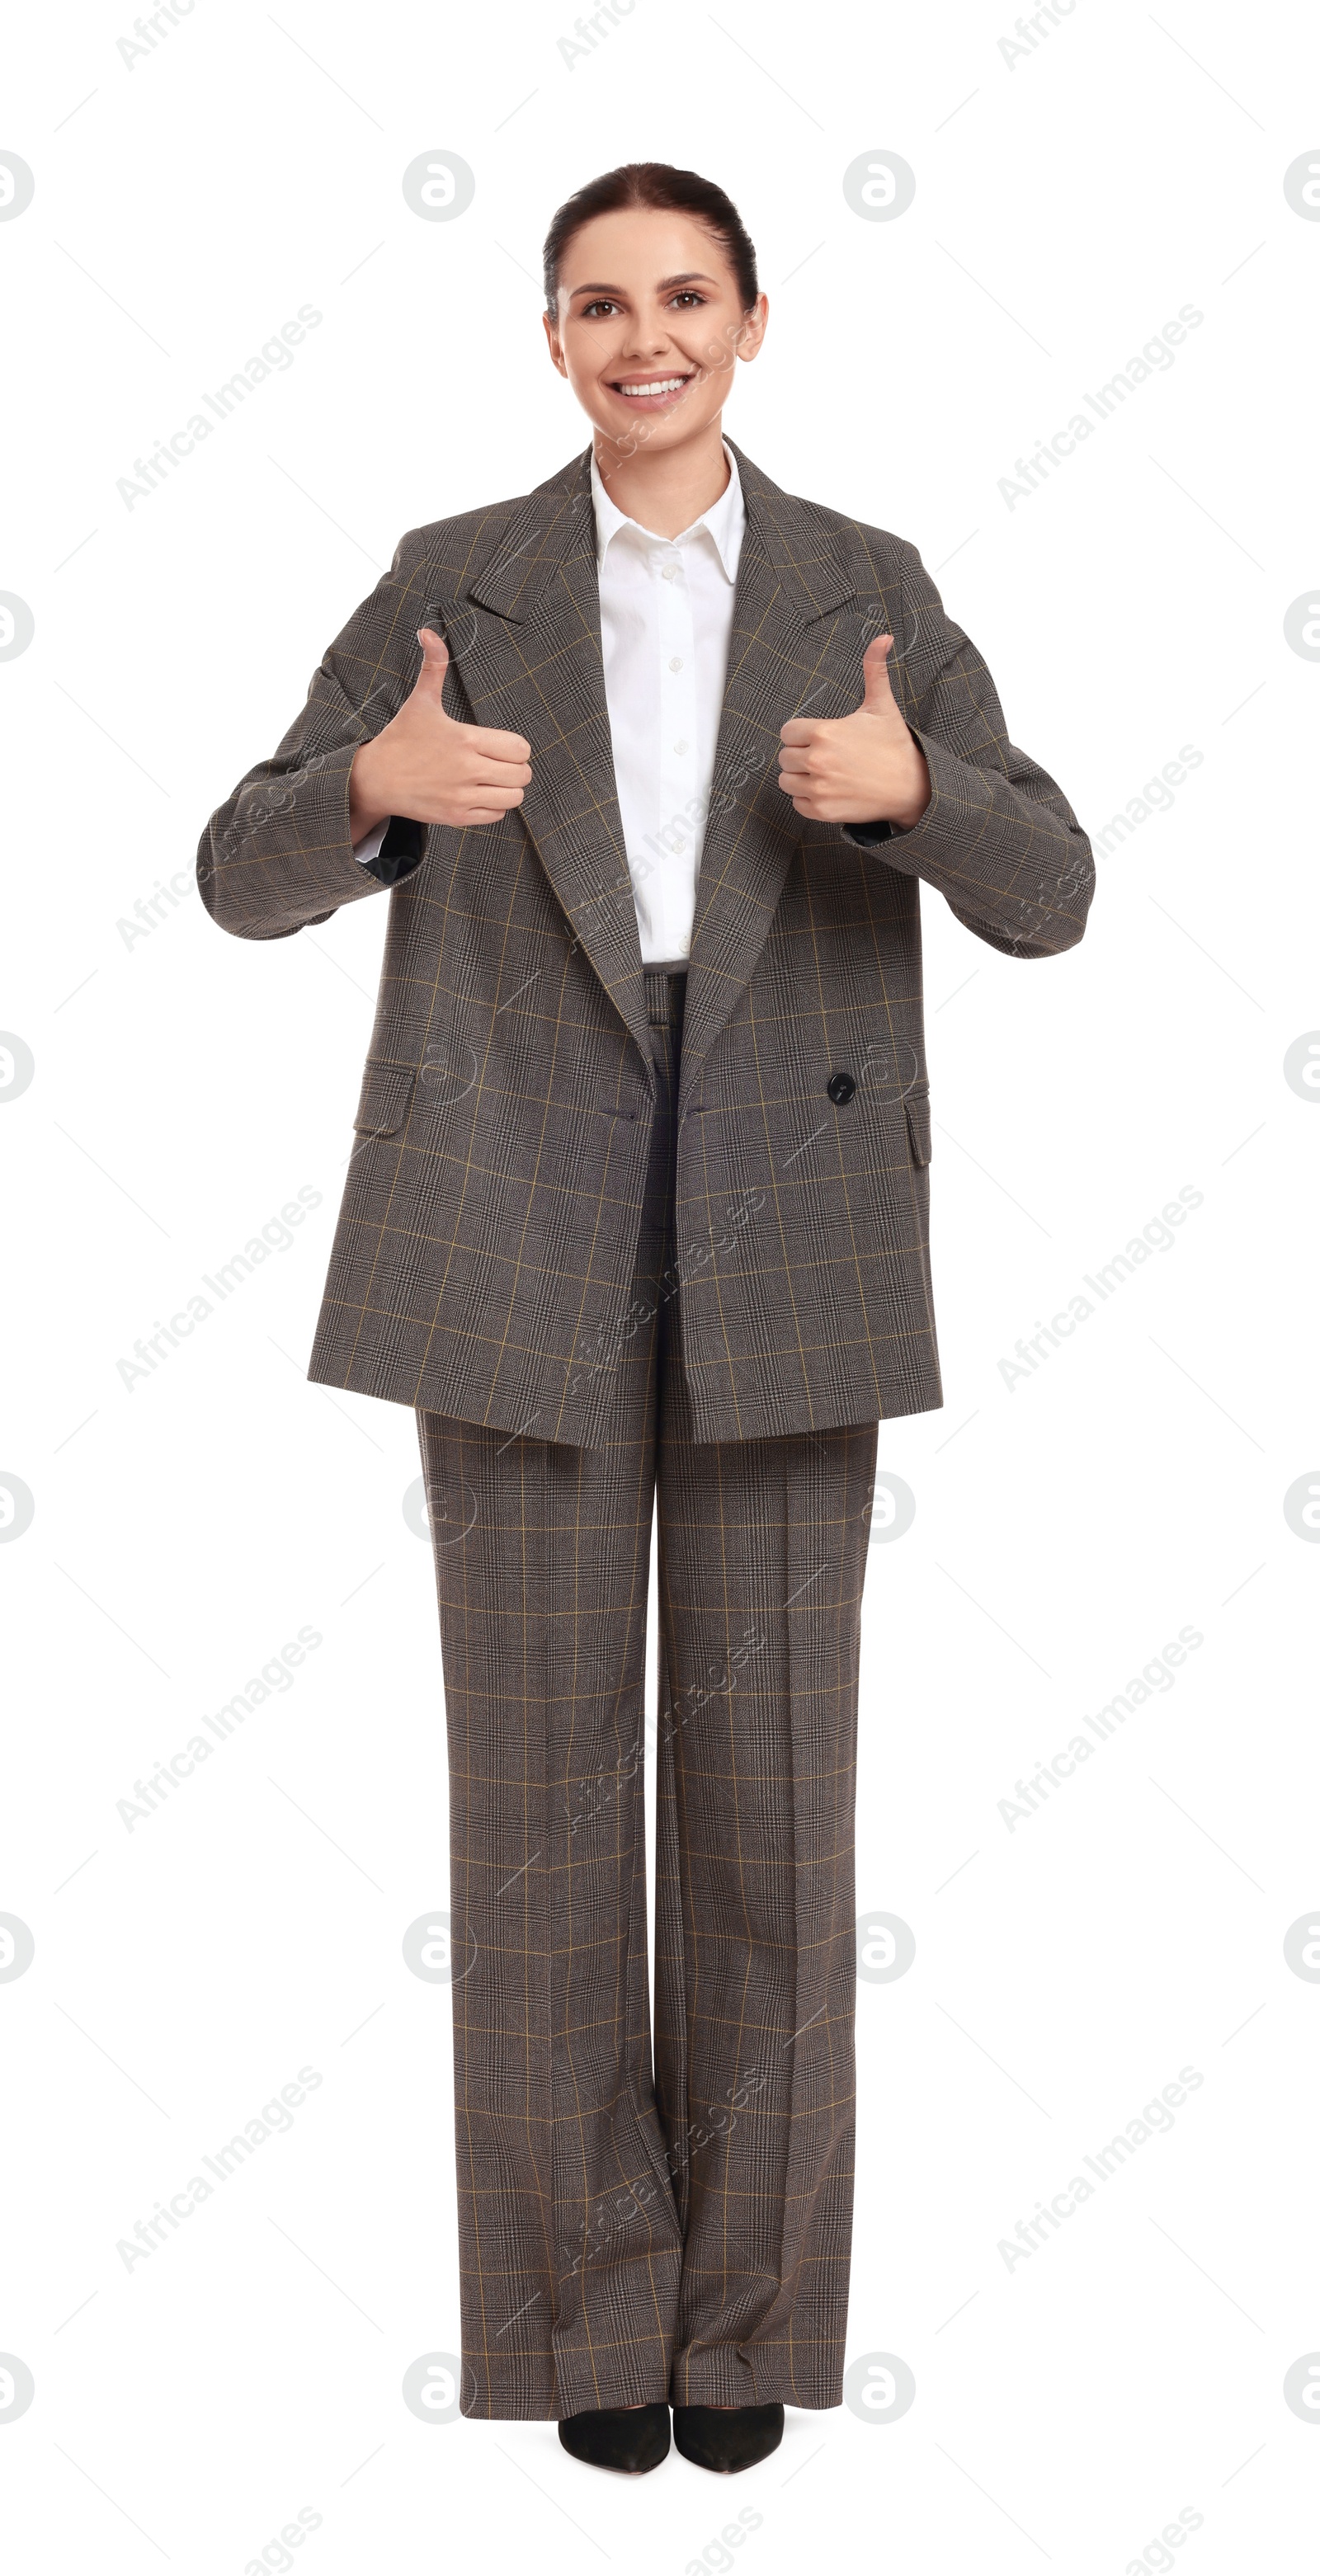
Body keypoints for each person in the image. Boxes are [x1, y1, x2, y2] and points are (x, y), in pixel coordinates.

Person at [198, 160, 1094, 2478]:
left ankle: (754, 2326)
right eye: (599, 304)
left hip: (787, 1211)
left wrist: (919, 798)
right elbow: (238, 859)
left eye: (683, 296)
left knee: (776, 1809)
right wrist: (376, 800)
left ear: (754, 323)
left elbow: (1059, 885)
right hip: (514, 1214)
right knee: (537, 1816)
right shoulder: (453, 585)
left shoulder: (866, 588)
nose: (644, 338)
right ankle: (586, 2315)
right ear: (555, 341)